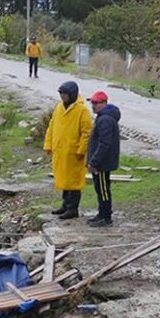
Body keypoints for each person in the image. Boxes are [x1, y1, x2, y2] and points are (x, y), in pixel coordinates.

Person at [44, 81, 92, 220]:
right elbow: (51, 127)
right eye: (61, 94)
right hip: (60, 151)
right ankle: (65, 205)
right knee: (64, 180)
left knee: (74, 182)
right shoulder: (58, 108)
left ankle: (72, 209)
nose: (63, 97)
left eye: (65, 94)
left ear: (72, 94)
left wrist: (81, 150)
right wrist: (48, 144)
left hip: (73, 153)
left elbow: (86, 133)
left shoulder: (82, 111)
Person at [86, 90, 121, 227]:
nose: (93, 105)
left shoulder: (105, 120)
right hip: (102, 162)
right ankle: (101, 214)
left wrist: (94, 162)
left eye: (96, 103)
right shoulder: (103, 117)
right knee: (100, 189)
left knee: (103, 190)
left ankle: (106, 217)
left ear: (104, 103)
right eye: (92, 103)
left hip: (102, 163)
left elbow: (104, 144)